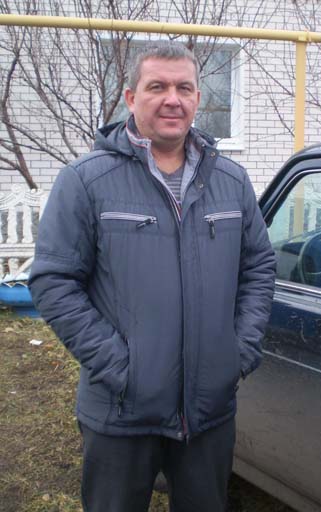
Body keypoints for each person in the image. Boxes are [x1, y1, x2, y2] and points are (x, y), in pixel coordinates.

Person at [29, 40, 276, 512]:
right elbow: (54, 280)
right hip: (120, 411)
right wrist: (120, 368)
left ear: (198, 98)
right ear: (130, 97)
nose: (172, 99)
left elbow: (258, 267)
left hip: (208, 412)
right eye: (157, 86)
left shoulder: (231, 181)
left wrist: (237, 352)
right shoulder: (86, 180)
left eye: (184, 88)